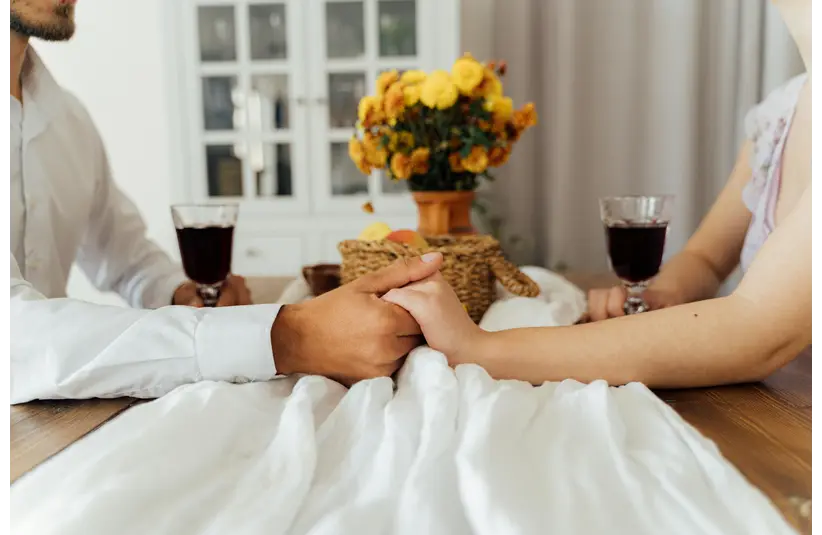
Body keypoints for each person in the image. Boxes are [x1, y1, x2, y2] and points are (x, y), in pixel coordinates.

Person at [8, 0, 439, 403]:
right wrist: (285, 337)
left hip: (60, 423)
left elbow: (126, 257)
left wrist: (182, 294)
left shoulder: (68, 119)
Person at [381, 0, 814, 389]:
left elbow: (755, 330)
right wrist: (660, 296)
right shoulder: (780, 114)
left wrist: (478, 350)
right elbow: (706, 259)